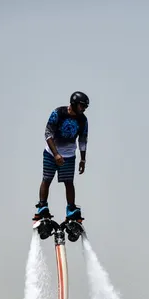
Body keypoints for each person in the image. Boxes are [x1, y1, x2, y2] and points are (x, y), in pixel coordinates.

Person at [33, 91, 89, 223]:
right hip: (51, 153)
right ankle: (42, 206)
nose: (84, 109)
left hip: (69, 155)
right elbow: (48, 134)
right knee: (47, 179)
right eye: (82, 106)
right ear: (74, 104)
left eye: (85, 107)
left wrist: (83, 159)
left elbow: (83, 140)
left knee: (68, 182)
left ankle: (71, 209)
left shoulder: (83, 120)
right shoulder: (58, 113)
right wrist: (56, 154)